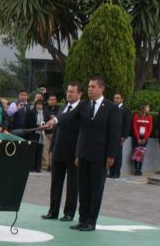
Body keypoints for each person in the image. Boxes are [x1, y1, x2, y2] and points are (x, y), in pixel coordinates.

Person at [47, 77, 120, 231]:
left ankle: (91, 221)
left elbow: (114, 134)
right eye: (88, 87)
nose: (89, 89)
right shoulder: (84, 105)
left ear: (101, 88)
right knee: (83, 190)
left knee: (96, 190)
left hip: (100, 156)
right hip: (83, 154)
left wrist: (111, 155)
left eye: (93, 87)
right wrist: (55, 120)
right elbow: (69, 116)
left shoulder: (111, 108)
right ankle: (82, 220)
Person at [42, 83, 82, 221]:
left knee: (72, 185)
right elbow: (57, 130)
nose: (69, 94)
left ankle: (69, 213)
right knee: (55, 183)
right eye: (68, 91)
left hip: (73, 153)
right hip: (58, 151)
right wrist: (52, 149)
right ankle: (53, 211)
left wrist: (79, 153)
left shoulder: (82, 110)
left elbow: (82, 133)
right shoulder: (63, 108)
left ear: (79, 94)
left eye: (72, 91)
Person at [108, 92, 131, 178]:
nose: (116, 99)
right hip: (111, 135)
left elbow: (127, 124)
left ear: (122, 99)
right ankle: (111, 171)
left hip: (119, 136)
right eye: (114, 98)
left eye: (118, 98)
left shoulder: (125, 109)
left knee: (117, 154)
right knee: (111, 153)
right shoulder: (111, 108)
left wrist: (124, 136)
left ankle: (116, 172)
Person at [131, 103, 153, 175]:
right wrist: (138, 138)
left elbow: (149, 128)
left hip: (144, 138)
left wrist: (145, 138)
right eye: (148, 107)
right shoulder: (136, 116)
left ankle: (140, 169)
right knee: (136, 152)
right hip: (136, 137)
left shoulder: (149, 117)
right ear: (143, 108)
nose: (149, 109)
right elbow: (134, 127)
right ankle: (136, 169)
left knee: (141, 153)